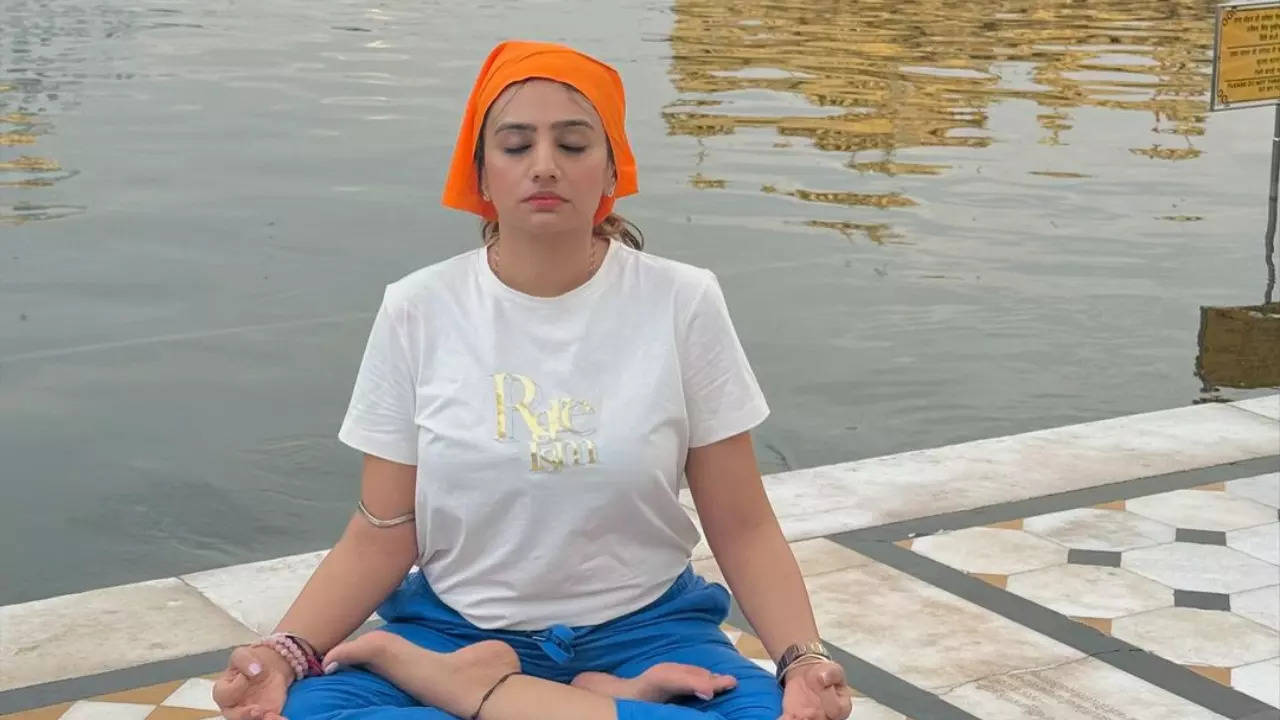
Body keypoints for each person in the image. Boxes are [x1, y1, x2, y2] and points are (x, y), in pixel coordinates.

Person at [211, 40, 854, 720]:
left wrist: (803, 660)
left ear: (610, 168)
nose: (544, 166)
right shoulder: (419, 309)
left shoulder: (681, 302)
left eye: (573, 145)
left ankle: (480, 692)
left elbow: (742, 524)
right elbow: (381, 530)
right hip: (454, 631)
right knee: (313, 713)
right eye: (516, 146)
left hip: (646, 631)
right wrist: (285, 653)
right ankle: (554, 696)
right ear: (480, 171)